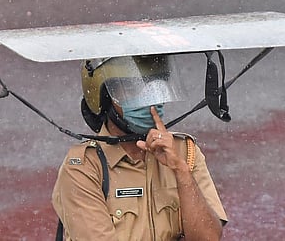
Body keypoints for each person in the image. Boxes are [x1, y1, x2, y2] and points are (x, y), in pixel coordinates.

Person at [52, 55, 227, 240]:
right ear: (105, 97)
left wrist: (181, 171)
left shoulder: (185, 151)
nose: (149, 100)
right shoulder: (84, 168)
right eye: (132, 88)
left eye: (157, 87)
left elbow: (208, 238)